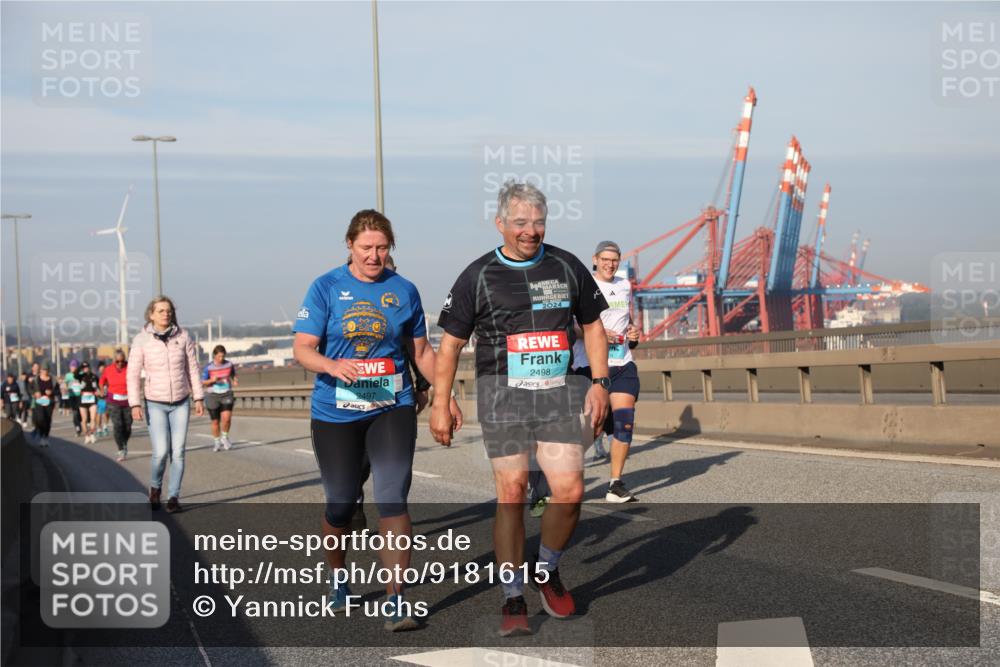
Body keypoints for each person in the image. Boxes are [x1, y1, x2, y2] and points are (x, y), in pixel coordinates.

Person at [431, 180, 610, 636]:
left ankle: (546, 570)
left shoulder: (566, 265)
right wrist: (440, 402)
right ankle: (513, 595)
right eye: (520, 222)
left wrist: (601, 383)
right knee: (511, 491)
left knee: (569, 490)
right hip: (502, 396)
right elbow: (449, 347)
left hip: (558, 395)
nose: (531, 231)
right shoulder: (478, 275)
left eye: (538, 222)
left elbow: (593, 327)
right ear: (501, 224)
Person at [292, 209, 462, 632]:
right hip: (335, 412)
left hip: (392, 406)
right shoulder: (326, 287)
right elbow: (302, 347)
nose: (374, 255)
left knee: (392, 496)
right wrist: (332, 366)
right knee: (341, 503)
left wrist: (444, 395)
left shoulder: (403, 289)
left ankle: (396, 599)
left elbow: (421, 352)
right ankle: (337, 577)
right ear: (349, 245)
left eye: (382, 247)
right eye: (366, 247)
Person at [571, 241, 642, 502]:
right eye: (605, 259)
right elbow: (573, 328)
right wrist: (597, 335)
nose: (610, 264)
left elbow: (626, 319)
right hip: (591, 365)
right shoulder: (583, 285)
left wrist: (634, 331)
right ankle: (562, 469)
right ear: (595, 259)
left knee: (624, 422)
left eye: (615, 260)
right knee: (597, 426)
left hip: (622, 363)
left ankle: (615, 485)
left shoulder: (625, 285)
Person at [128, 296, 205, 513]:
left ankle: (173, 497)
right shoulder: (141, 340)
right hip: (155, 402)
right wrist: (134, 403)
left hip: (181, 401)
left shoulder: (183, 336)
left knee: (178, 451)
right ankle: (155, 489)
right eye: (160, 311)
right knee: (161, 452)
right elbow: (132, 374)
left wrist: (198, 397)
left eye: (168, 310)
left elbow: (192, 368)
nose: (165, 314)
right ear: (151, 315)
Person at [201, 345, 238, 451]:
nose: (221, 358)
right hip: (212, 395)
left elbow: (233, 374)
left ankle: (225, 438)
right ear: (215, 356)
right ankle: (217, 442)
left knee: (226, 419)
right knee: (215, 422)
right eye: (219, 356)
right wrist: (211, 380)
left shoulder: (229, 364)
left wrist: (235, 380)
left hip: (226, 393)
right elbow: (203, 382)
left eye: (223, 356)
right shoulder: (208, 367)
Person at [100, 349, 132, 462]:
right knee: (118, 425)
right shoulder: (108, 369)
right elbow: (102, 381)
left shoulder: (130, 367)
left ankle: (124, 442)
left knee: (127, 426)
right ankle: (121, 449)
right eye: (117, 361)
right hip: (113, 401)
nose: (120, 363)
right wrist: (102, 390)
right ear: (114, 361)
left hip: (128, 400)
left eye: (122, 361)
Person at [75, 362, 100, 444]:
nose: (86, 368)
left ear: (89, 367)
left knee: (93, 418)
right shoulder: (80, 376)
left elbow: (99, 386)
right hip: (83, 399)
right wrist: (80, 367)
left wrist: (98, 391)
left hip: (92, 398)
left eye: (87, 367)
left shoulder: (94, 376)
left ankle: (92, 433)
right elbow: (75, 374)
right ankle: (86, 435)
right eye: (84, 367)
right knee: (84, 420)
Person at [30, 366, 55, 446]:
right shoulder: (36, 379)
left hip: (49, 402)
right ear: (40, 370)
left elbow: (57, 390)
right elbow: (30, 388)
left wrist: (51, 392)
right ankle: (41, 437)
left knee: (48, 420)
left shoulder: (53, 379)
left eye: (46, 370)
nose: (44, 371)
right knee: (40, 419)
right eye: (43, 369)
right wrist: (34, 393)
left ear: (48, 370)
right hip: (39, 402)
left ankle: (46, 437)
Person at [64, 360, 83, 435]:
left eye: (74, 366)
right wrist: (65, 388)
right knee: (75, 413)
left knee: (81, 413)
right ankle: (77, 427)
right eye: (71, 366)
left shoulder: (81, 374)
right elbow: (65, 384)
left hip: (80, 396)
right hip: (72, 396)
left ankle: (82, 422)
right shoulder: (68, 375)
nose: (73, 368)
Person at [95, 361, 109, 436]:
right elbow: (94, 387)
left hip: (107, 398)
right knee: (99, 414)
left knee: (106, 413)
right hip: (99, 398)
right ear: (98, 369)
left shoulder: (108, 377)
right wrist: (97, 392)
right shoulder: (96, 377)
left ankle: (105, 427)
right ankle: (99, 428)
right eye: (101, 369)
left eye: (104, 369)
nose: (102, 371)